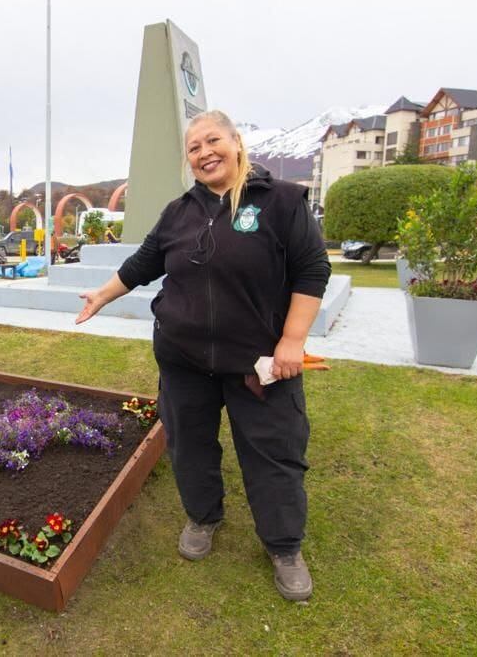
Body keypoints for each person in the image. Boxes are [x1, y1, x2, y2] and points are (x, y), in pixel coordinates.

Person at [75, 110, 330, 601]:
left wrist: (292, 341)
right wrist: (103, 295)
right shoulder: (179, 212)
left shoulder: (280, 202)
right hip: (184, 359)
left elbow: (311, 269)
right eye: (194, 148)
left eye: (212, 141)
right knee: (189, 445)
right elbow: (144, 262)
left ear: (236, 143)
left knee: (274, 453)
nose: (204, 152)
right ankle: (203, 516)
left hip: (260, 365)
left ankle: (283, 545)